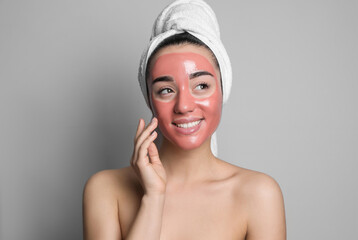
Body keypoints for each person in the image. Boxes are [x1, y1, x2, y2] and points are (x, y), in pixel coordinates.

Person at [82, 0, 286, 239]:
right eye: (166, 90)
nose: (184, 106)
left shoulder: (258, 194)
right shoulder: (105, 190)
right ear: (149, 99)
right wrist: (153, 197)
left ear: (223, 90)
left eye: (201, 85)